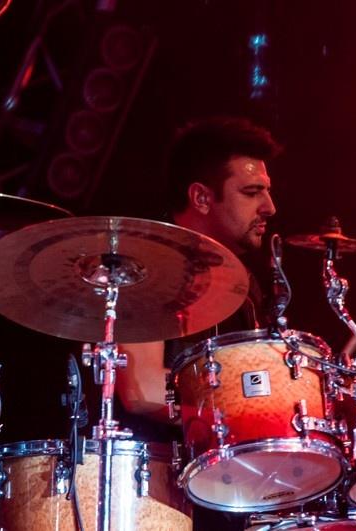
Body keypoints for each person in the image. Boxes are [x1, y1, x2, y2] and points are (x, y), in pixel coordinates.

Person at [115, 116, 282, 529]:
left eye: (267, 191)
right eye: (252, 192)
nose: (269, 207)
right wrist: (236, 418)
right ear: (202, 198)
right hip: (151, 494)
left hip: (227, 490)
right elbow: (140, 388)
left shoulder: (245, 285)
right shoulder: (147, 267)